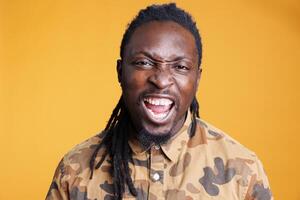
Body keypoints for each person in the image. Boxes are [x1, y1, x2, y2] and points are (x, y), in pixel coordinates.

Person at [46, 3, 273, 200]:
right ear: (119, 72)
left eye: (180, 67)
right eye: (144, 63)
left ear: (197, 79)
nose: (162, 80)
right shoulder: (75, 169)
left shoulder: (242, 169)